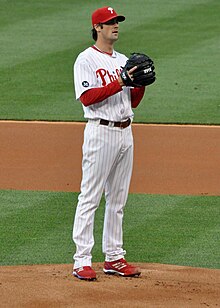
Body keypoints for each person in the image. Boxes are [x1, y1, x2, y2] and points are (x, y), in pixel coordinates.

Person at [72, 6, 146, 281]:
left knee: (118, 199)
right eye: (109, 22)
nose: (115, 25)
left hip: (126, 131)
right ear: (98, 28)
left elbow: (131, 101)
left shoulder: (124, 60)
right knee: (90, 197)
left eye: (117, 21)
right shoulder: (86, 60)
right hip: (100, 132)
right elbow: (88, 97)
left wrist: (139, 85)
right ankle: (82, 260)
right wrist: (121, 81)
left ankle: (114, 257)